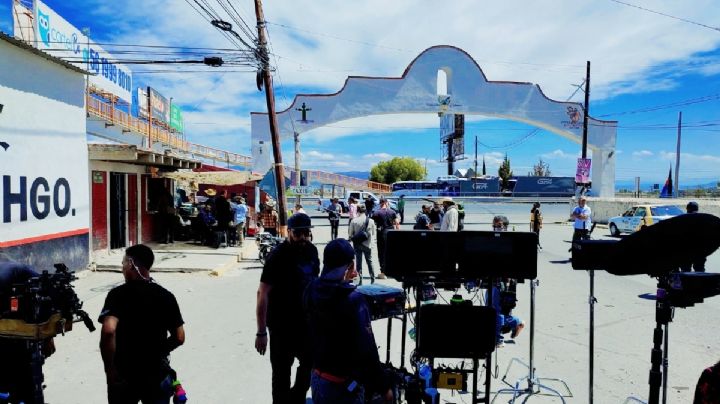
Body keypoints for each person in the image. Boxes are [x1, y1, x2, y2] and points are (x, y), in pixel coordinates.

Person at [304, 239, 394, 404]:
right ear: (350, 266)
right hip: (342, 386)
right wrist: (383, 387)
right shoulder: (354, 300)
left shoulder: (311, 289)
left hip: (317, 379)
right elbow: (367, 350)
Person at [99, 244, 185, 404]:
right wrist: (156, 352)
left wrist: (110, 370)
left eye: (123, 263)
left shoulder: (117, 295)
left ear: (131, 264)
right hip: (157, 374)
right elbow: (179, 337)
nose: (122, 268)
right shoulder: (166, 296)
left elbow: (109, 330)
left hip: (124, 375)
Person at [255, 213, 320, 404]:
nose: (302, 237)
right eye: (298, 233)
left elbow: (315, 284)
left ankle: (296, 397)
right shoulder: (277, 256)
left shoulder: (312, 251)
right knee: (281, 375)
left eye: (306, 233)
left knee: (311, 363)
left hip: (306, 324)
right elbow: (262, 293)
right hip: (281, 327)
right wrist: (261, 332)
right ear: (288, 232)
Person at [0, 260, 56, 404]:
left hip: (17, 332)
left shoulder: (14, 270)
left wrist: (47, 336)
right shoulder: (14, 269)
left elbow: (46, 292)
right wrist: (48, 337)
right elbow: (47, 292)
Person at [489, 216, 524, 348]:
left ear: (505, 226)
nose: (496, 228)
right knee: (492, 310)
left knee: (496, 311)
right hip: (492, 280)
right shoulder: (492, 239)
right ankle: (516, 322)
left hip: (502, 282)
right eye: (494, 225)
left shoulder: (509, 241)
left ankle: (499, 339)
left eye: (499, 225)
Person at [371, 197, 400, 279]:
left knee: (381, 253)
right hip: (391, 234)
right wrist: (398, 233)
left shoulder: (376, 213)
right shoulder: (392, 212)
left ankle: (383, 273)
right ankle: (391, 271)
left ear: (380, 203)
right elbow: (397, 223)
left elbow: (371, 223)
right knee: (391, 253)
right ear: (387, 203)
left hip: (381, 234)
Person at [348, 205, 377, 284]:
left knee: (358, 262)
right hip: (368, 244)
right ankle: (372, 279)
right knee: (370, 261)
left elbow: (350, 234)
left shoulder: (354, 220)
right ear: (365, 211)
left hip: (357, 244)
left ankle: (360, 280)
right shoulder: (371, 221)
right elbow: (373, 233)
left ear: (357, 211)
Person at [681, 201, 706, 272]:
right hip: (700, 250)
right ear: (697, 209)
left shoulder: (682, 219)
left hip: (686, 250)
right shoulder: (703, 219)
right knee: (700, 270)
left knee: (685, 270)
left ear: (687, 209)